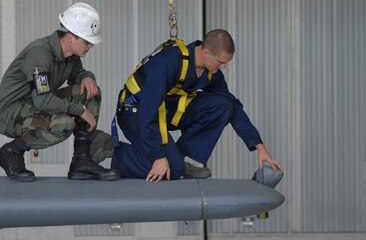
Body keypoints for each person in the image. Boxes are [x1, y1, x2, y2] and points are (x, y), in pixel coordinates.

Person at [111, 29, 281, 182]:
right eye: (221, 62)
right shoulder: (166, 63)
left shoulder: (211, 72)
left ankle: (176, 156)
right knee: (172, 169)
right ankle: (118, 155)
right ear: (206, 52)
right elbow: (147, 112)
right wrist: (158, 156)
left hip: (163, 111)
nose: (223, 67)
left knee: (225, 105)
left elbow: (234, 108)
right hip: (135, 112)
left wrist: (260, 147)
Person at [0, 2, 119, 182]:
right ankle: (12, 151)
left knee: (92, 91)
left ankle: (81, 160)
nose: (90, 45)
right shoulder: (40, 54)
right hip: (9, 112)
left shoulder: (71, 56)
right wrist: (81, 110)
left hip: (35, 103)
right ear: (69, 37)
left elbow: (78, 76)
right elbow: (42, 101)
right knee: (64, 123)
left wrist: (87, 76)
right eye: (86, 41)